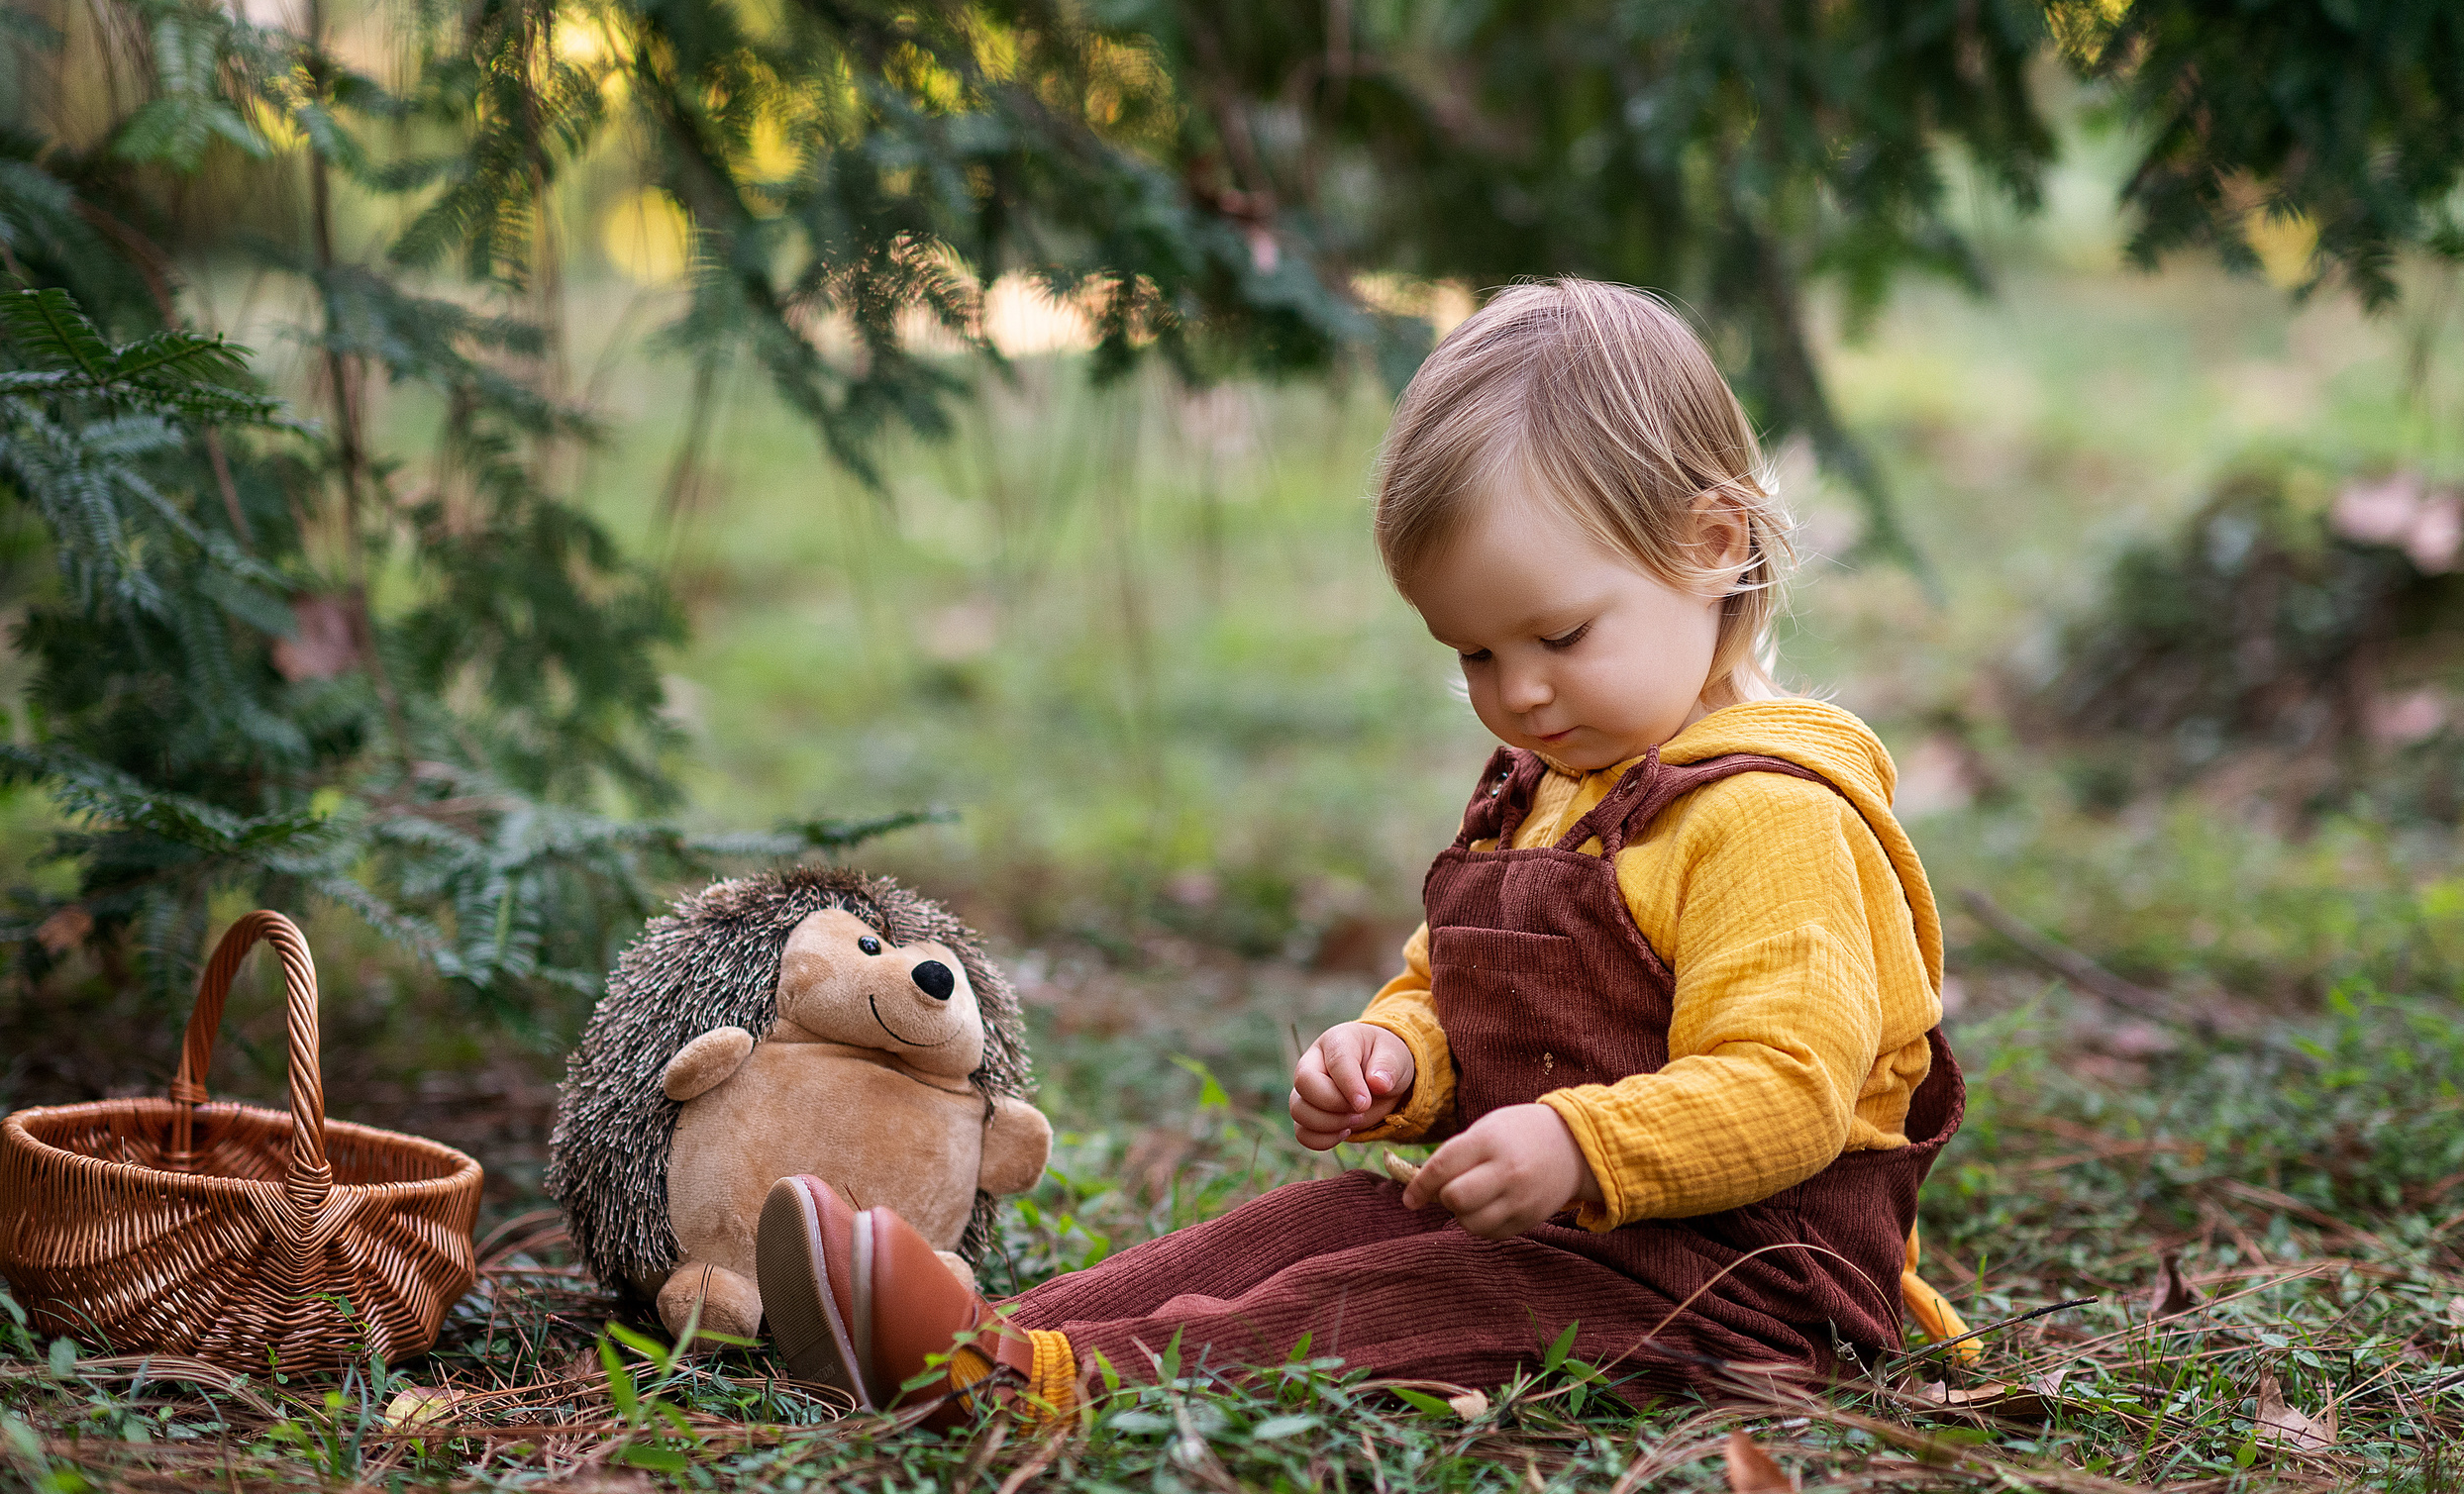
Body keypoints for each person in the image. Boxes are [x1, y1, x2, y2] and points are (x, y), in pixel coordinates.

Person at [754, 278, 1969, 1424]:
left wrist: (1578, 1144)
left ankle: (1037, 1387)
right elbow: (1455, 986)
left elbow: (1788, 1092)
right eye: (1475, 656)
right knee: (1310, 1224)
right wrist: (1394, 1054)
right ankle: (970, 1332)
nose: (1522, 694)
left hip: (1735, 1289)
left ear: (1710, 544)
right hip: (1572, 1238)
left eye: (1556, 633)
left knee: (1392, 1302)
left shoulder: (1773, 815)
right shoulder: (1554, 791)